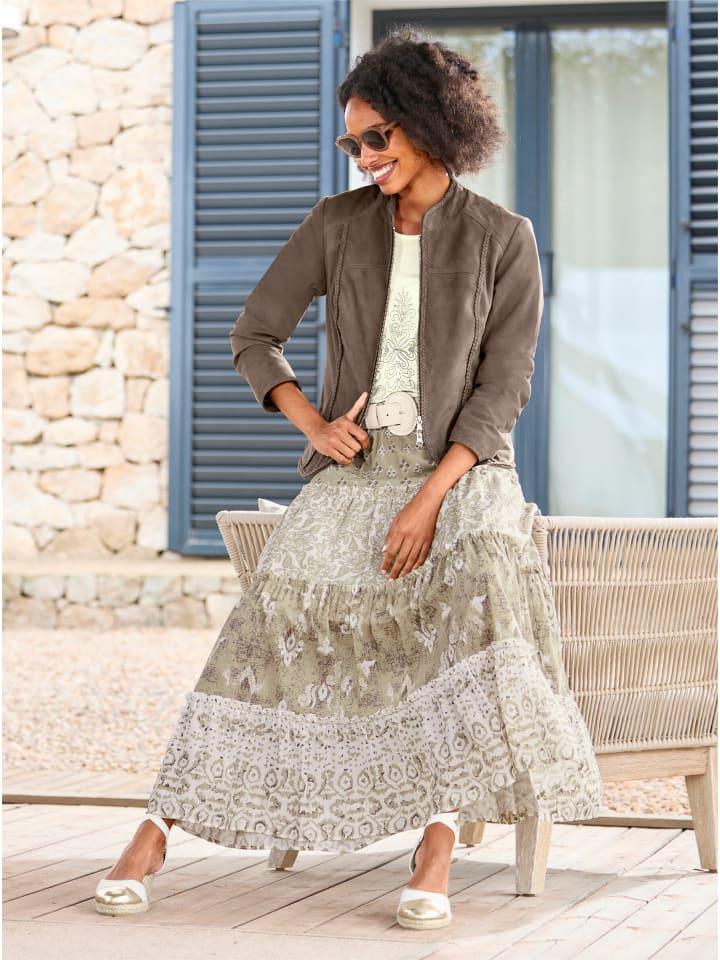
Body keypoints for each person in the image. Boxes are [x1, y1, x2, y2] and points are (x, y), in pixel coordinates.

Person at [95, 26, 604, 929]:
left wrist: (429, 499)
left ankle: (437, 842)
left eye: (378, 136)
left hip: (461, 473)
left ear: (432, 124)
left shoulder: (503, 237)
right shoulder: (336, 224)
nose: (364, 155)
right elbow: (254, 333)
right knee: (266, 617)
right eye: (352, 140)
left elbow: (504, 387)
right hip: (360, 471)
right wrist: (314, 424)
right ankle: (157, 828)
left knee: (474, 586)